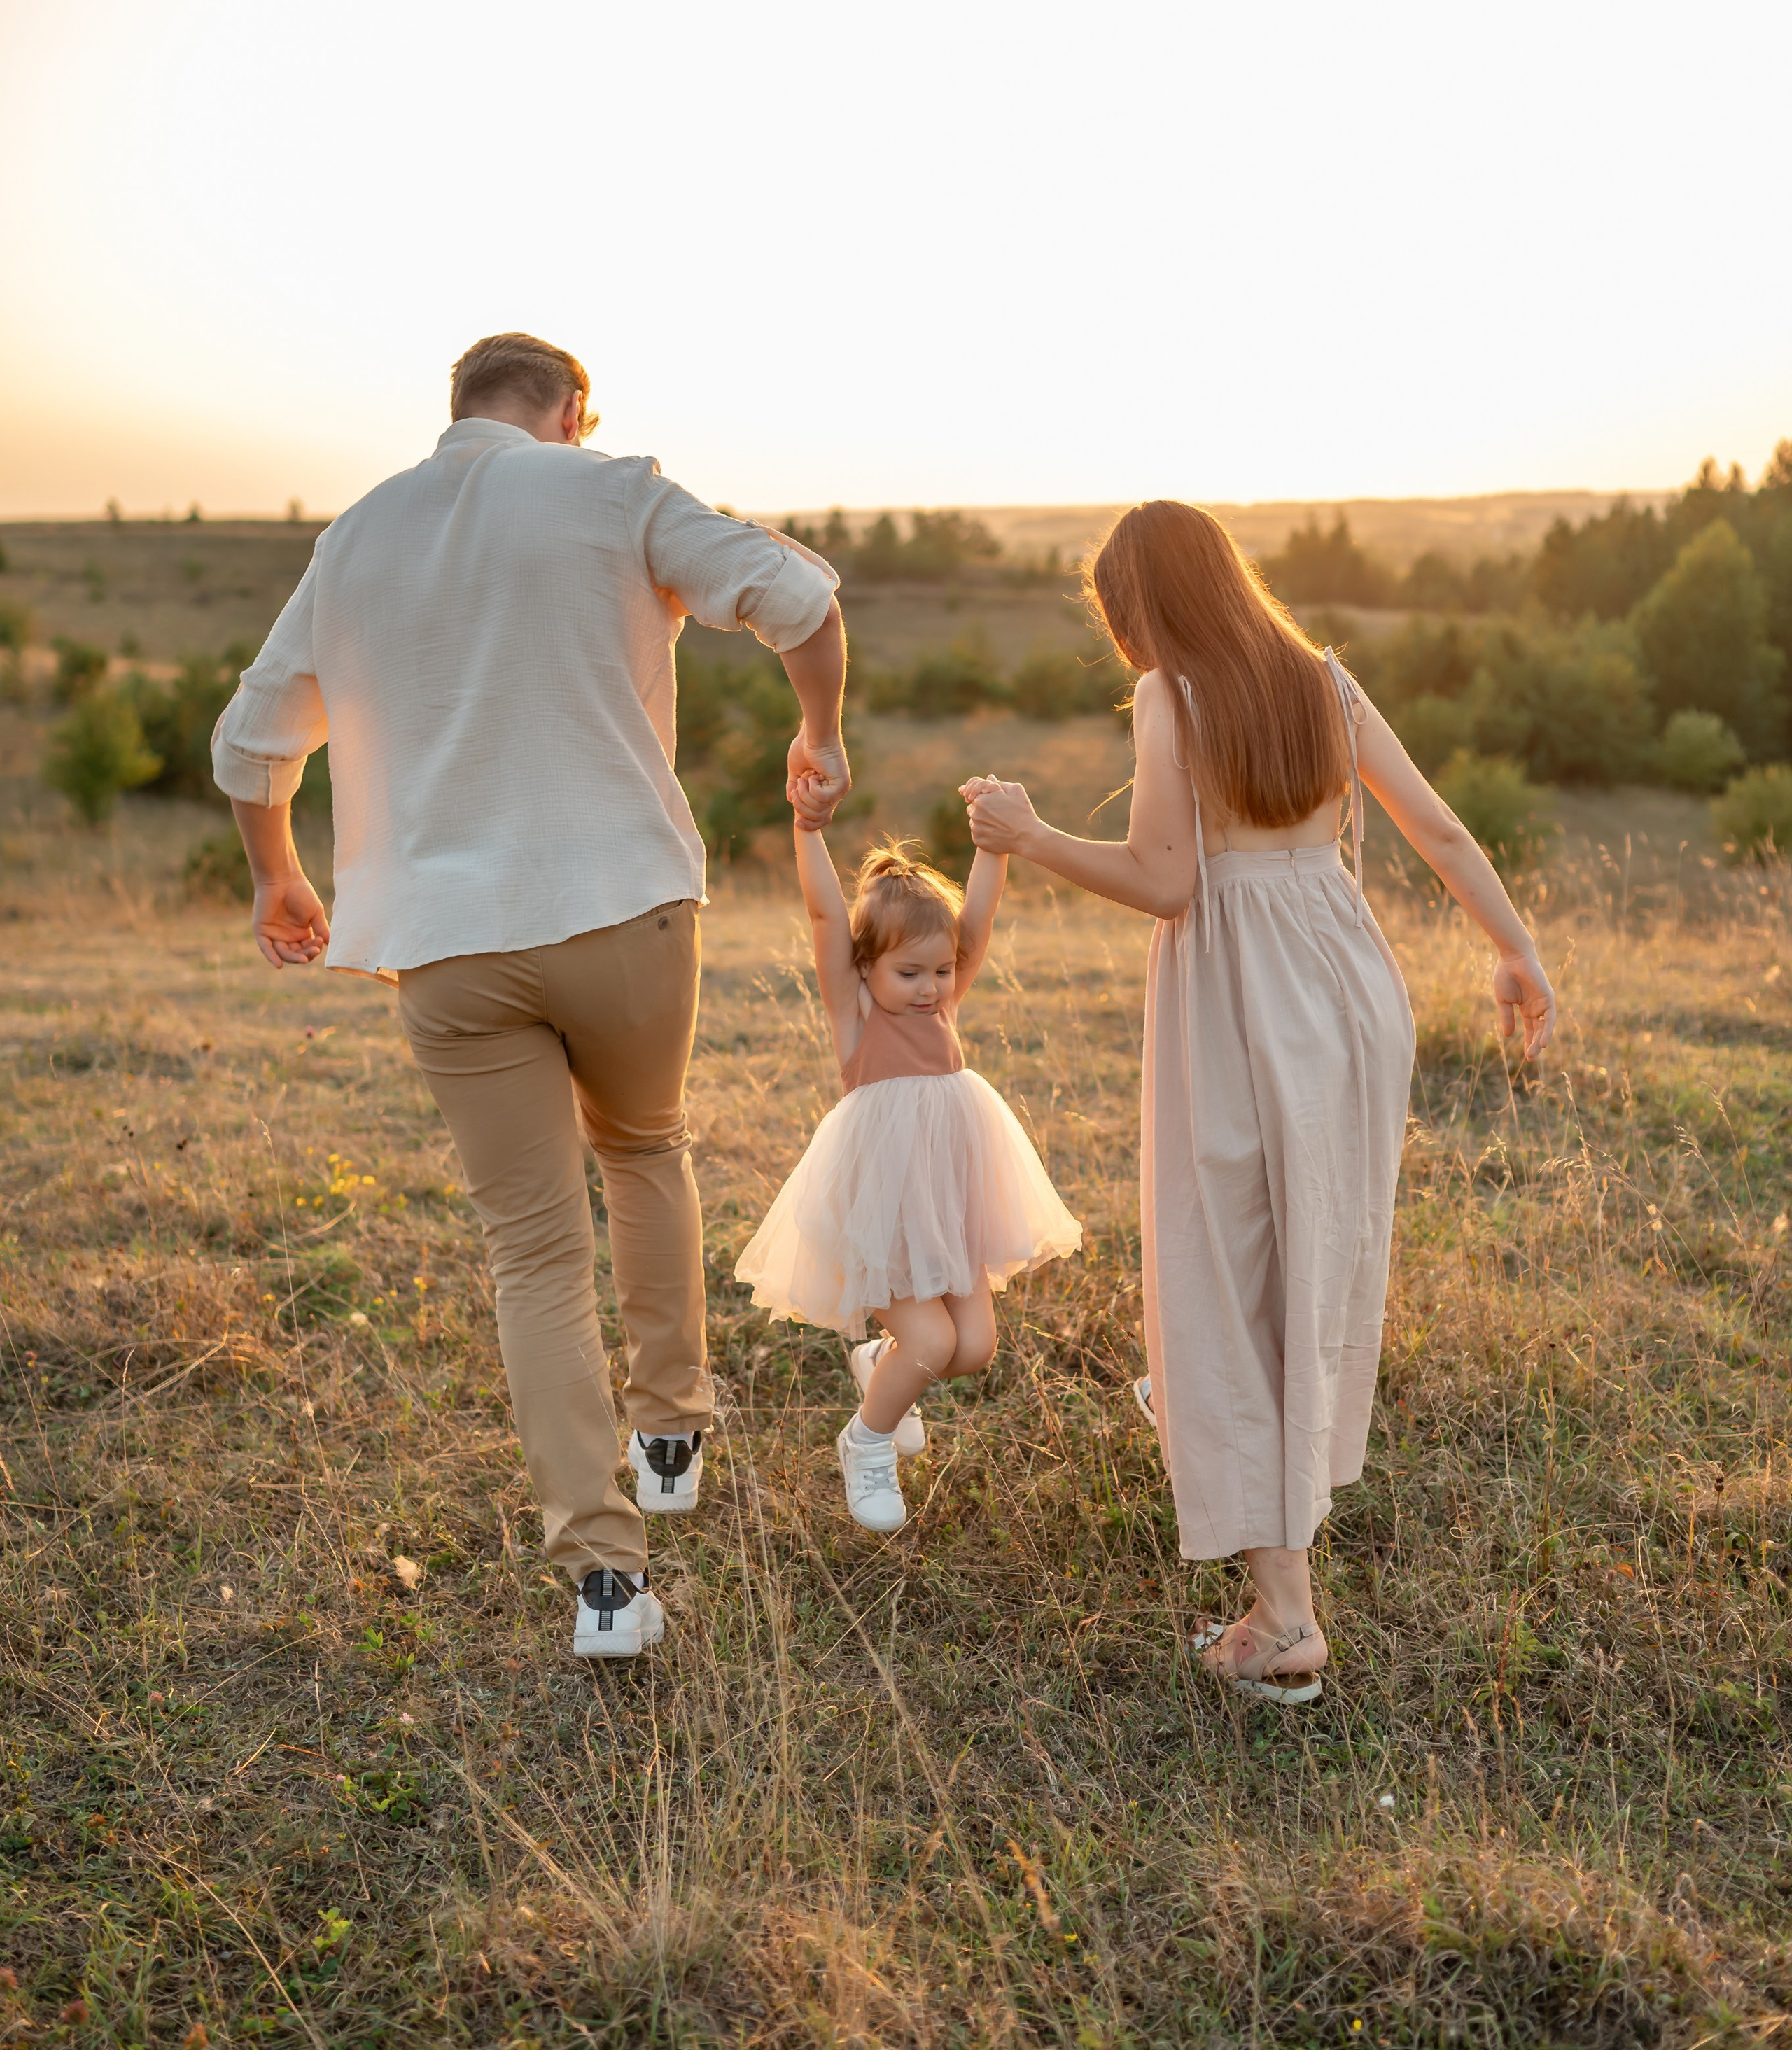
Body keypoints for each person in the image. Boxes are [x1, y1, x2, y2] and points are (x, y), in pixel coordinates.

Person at [211, 331, 850, 1660]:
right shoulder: (613, 487)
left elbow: (252, 741)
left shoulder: (357, 536)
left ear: (459, 410)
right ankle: (669, 1430)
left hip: (447, 944)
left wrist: (278, 873)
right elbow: (798, 601)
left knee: (535, 1253)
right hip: (621, 903)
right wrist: (820, 734)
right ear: (570, 411)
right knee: (645, 1147)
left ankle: (604, 1582)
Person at [962, 500, 1555, 1703]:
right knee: (1317, 1264)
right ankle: (1240, 1470)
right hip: (1352, 985)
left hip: (1242, 989)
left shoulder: (1169, 694)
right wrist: (1517, 949)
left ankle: (1285, 1616)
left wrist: (1027, 836)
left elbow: (1167, 882)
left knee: (1226, 1277)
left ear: (1143, 607)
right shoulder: (1324, 679)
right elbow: (1438, 827)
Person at [735, 836, 1082, 1531]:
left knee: (972, 1348)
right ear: (865, 966)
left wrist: (991, 845)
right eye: (909, 972)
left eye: (942, 971)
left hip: (948, 1207)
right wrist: (808, 829)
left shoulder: (941, 1008)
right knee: (930, 1345)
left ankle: (879, 1362)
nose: (930, 988)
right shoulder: (856, 1013)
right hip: (885, 1213)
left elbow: (978, 918)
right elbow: (826, 916)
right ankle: (866, 1441)